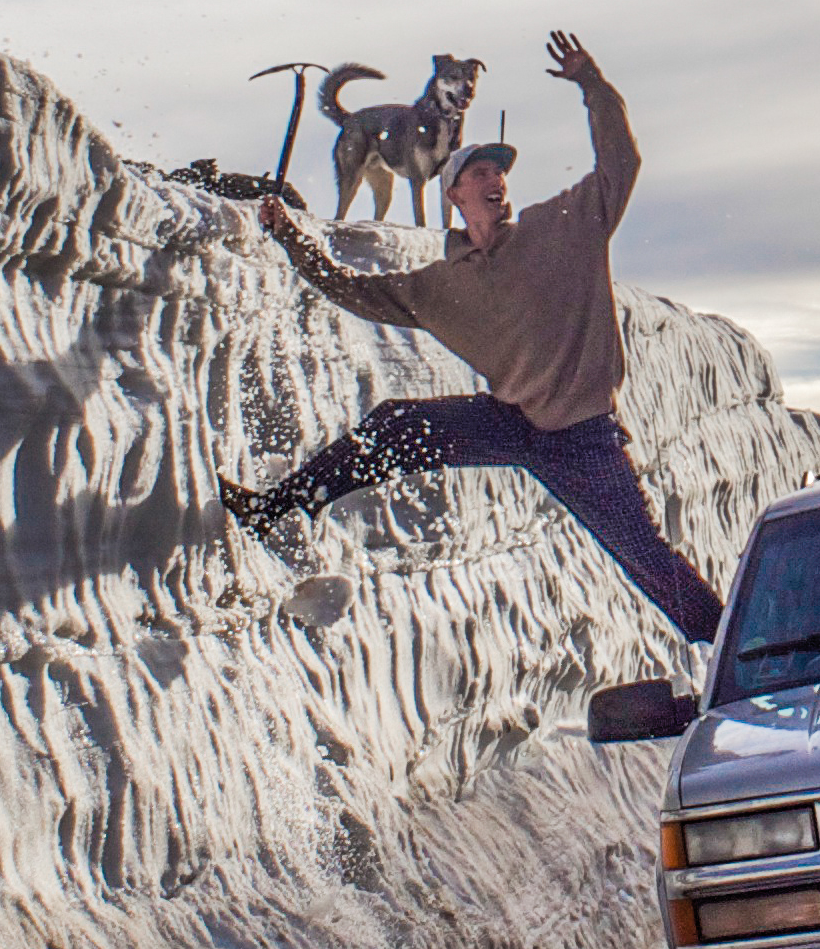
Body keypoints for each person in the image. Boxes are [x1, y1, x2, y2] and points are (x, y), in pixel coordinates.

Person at [232, 31, 723, 643]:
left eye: (501, 171)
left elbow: (621, 163)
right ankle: (277, 508)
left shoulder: (562, 227)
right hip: (510, 422)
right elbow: (353, 291)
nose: (497, 179)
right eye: (481, 170)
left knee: (646, 560)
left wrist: (592, 85)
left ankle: (745, 654)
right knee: (394, 426)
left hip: (584, 439)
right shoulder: (441, 286)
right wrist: (290, 240)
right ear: (455, 192)